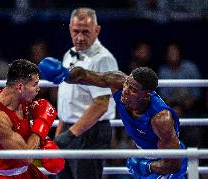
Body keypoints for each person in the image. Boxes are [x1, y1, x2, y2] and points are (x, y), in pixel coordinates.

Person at [38, 58, 187, 178]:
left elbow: (174, 164)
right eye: (127, 84)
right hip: (146, 155)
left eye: (133, 90)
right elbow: (85, 75)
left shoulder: (161, 119)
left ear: (146, 96)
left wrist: (146, 166)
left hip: (168, 162)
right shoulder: (119, 83)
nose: (126, 91)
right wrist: (66, 74)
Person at [51, 7, 119, 179]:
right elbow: (67, 98)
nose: (80, 37)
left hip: (90, 131)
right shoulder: (69, 54)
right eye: (76, 31)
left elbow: (101, 104)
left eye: (86, 32)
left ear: (97, 30)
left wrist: (71, 134)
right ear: (69, 29)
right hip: (69, 128)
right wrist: (60, 132)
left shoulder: (103, 59)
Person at [0, 59, 65, 178]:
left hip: (26, 171)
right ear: (20, 87)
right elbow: (26, 157)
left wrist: (45, 141)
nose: (38, 89)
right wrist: (42, 124)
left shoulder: (19, 100)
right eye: (35, 84)